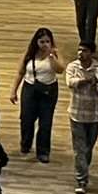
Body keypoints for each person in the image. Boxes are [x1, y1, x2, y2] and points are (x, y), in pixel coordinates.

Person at [64, 41, 98, 194]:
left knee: (88, 148)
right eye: (79, 50)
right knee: (79, 148)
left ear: (91, 53)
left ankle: (83, 171)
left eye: (84, 51)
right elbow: (70, 83)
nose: (80, 53)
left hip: (94, 115)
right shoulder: (73, 67)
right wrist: (87, 80)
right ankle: (81, 180)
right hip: (76, 114)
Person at [9, 28, 63, 163]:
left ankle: (43, 151)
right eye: (42, 42)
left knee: (45, 122)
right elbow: (20, 73)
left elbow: (60, 69)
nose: (44, 45)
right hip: (30, 89)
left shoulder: (55, 54)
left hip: (49, 90)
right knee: (26, 118)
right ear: (36, 42)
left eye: (47, 41)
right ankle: (25, 143)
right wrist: (13, 91)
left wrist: (51, 56)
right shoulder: (29, 54)